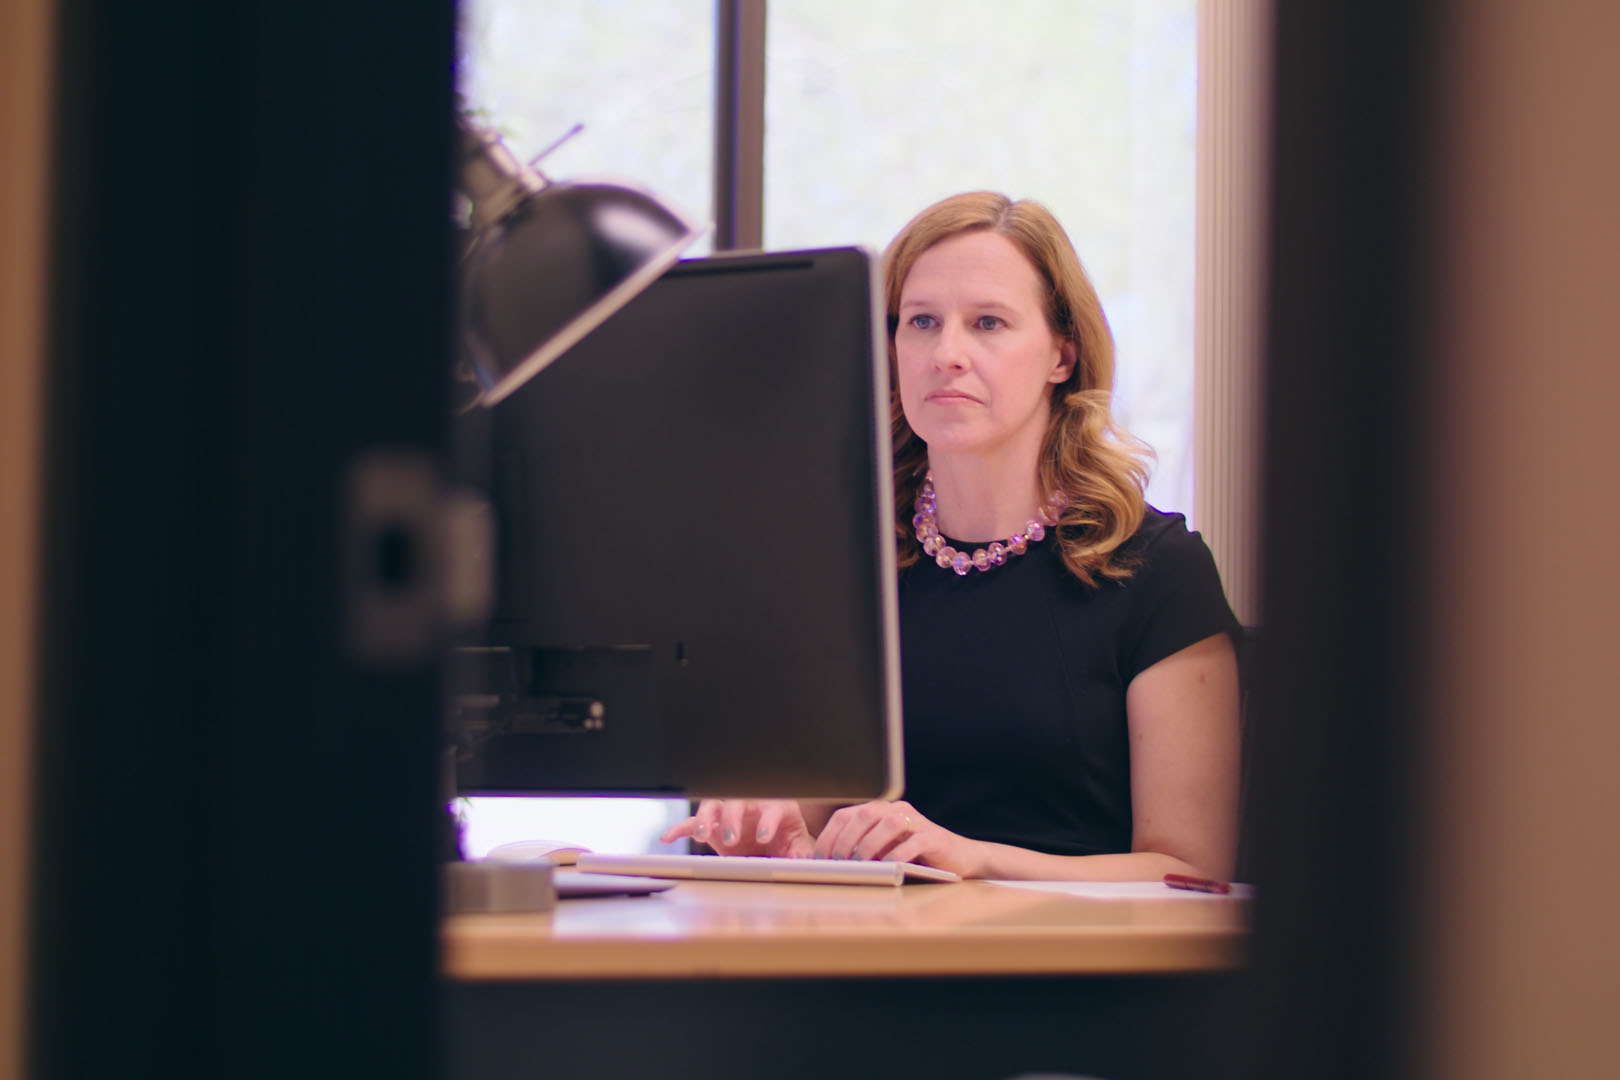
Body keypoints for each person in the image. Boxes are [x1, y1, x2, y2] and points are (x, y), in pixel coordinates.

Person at [661, 191, 1241, 881]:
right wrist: (777, 833)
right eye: (922, 322)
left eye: (988, 323)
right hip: (870, 968)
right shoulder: (846, 571)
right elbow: (812, 825)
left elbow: (1190, 870)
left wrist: (972, 858)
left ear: (1062, 354)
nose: (947, 354)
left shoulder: (1159, 571)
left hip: (1073, 975)